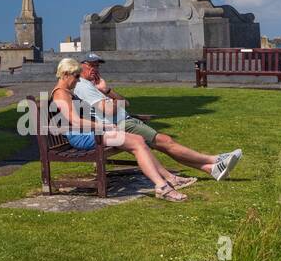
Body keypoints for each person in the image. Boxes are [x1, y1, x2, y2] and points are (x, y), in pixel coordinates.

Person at [76, 53, 242, 181]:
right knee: (165, 141)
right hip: (119, 124)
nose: (95, 69)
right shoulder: (83, 87)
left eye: (97, 66)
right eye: (91, 65)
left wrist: (106, 90)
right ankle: (216, 159)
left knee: (165, 144)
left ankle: (211, 169)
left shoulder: (95, 85)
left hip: (124, 120)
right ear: (80, 67)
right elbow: (110, 111)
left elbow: (125, 103)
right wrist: (112, 102)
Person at [49, 59, 194, 202]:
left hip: (89, 133)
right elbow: (74, 120)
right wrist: (104, 126)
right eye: (76, 76)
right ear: (66, 74)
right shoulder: (61, 93)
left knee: (138, 140)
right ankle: (163, 187)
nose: (78, 80)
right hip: (82, 137)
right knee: (137, 142)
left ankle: (168, 180)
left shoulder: (66, 91)